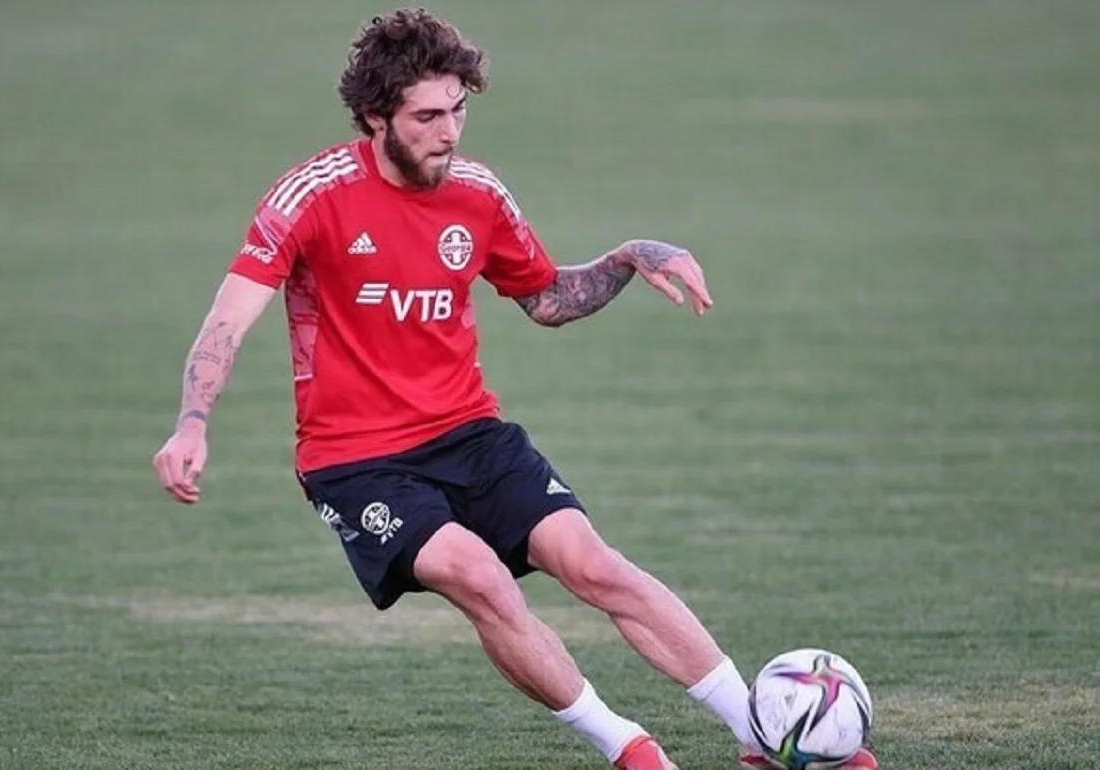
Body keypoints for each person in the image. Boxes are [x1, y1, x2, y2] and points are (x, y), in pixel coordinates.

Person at [152, 8, 877, 770]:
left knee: (593, 564)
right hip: (356, 460)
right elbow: (226, 320)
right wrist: (192, 422)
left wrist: (627, 256)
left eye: (457, 110)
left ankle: (757, 733)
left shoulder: (477, 194)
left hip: (469, 433)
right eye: (426, 117)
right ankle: (629, 748)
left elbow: (547, 299)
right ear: (374, 117)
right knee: (481, 579)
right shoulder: (311, 195)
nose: (448, 132)